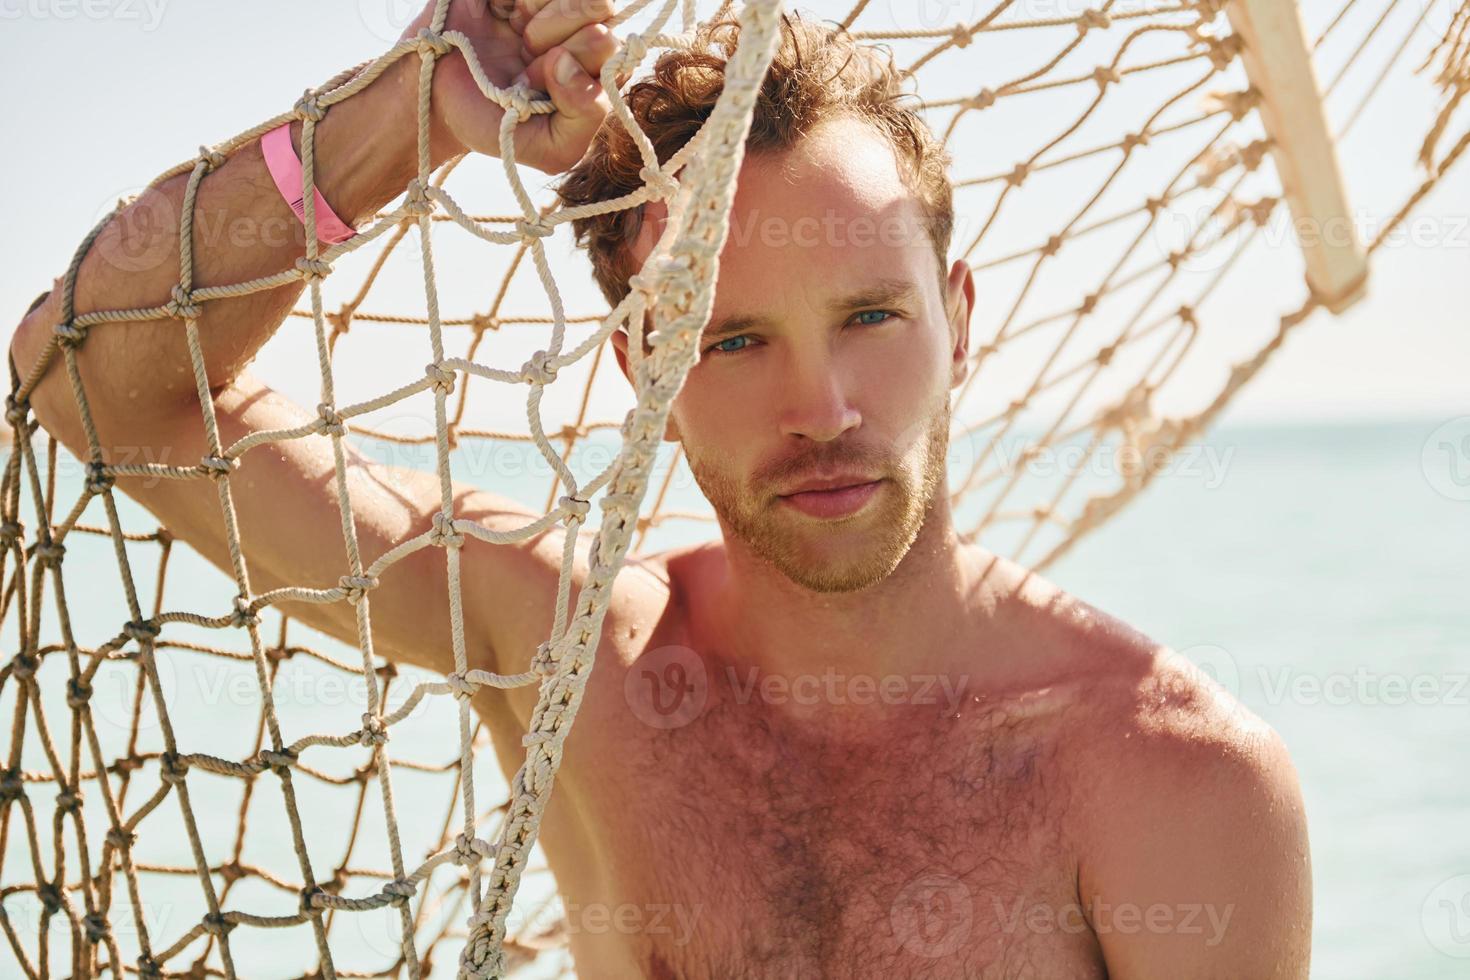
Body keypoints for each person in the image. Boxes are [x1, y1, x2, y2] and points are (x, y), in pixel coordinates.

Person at [9, 2, 1311, 976]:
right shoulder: (563, 648)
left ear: (956, 321)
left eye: (867, 316)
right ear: (641, 360)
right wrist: (401, 119)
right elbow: (95, 383)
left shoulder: (1173, 782)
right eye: (732, 340)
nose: (824, 411)